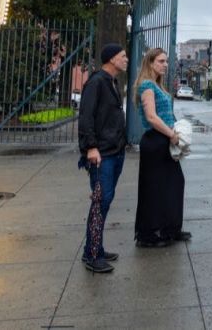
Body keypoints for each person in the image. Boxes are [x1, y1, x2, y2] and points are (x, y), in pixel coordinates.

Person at [77, 43, 128, 273]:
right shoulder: (96, 82)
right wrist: (91, 148)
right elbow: (86, 117)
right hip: (101, 155)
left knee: (105, 201)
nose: (126, 59)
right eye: (122, 56)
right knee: (100, 202)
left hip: (115, 152)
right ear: (111, 59)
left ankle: (94, 247)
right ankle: (92, 255)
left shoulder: (112, 82)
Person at [134, 48, 191, 248]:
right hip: (156, 141)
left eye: (166, 61)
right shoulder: (147, 86)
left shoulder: (158, 85)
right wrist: (171, 135)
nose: (165, 64)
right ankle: (148, 235)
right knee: (154, 188)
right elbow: (151, 117)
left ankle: (171, 229)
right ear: (150, 63)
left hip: (164, 139)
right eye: (161, 61)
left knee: (174, 183)